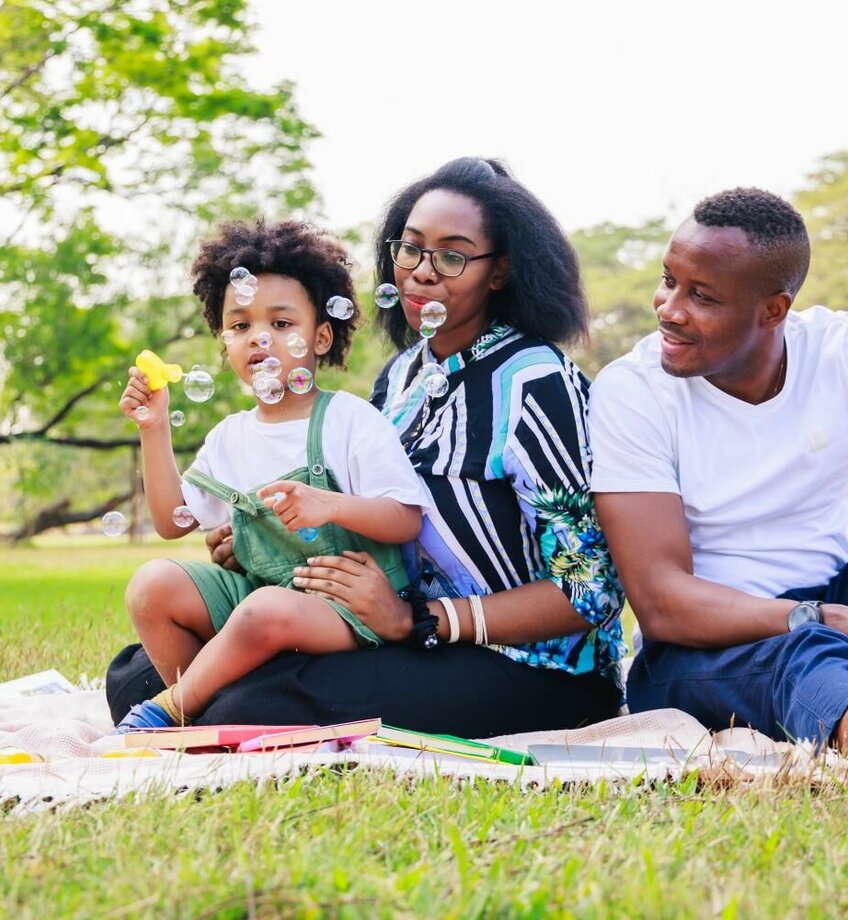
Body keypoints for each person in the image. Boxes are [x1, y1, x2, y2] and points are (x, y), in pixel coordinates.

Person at [107, 157, 626, 737]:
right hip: (394, 634)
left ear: (499, 271)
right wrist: (260, 538)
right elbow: (360, 509)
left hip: (534, 668)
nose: (421, 273)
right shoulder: (402, 377)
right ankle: (202, 703)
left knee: (244, 703)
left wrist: (419, 621)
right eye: (410, 249)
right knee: (132, 676)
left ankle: (204, 712)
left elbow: (591, 589)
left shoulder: (535, 381)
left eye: (452, 255)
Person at [113, 219, 426, 731]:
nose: (259, 336)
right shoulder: (229, 437)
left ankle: (170, 709)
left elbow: (405, 518)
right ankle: (212, 713)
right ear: (225, 343)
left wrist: (332, 504)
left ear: (321, 337)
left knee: (264, 610)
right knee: (153, 584)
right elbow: (174, 521)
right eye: (240, 326)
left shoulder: (348, 419)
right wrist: (153, 430)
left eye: (281, 324)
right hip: (262, 597)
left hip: (346, 605)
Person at [589, 186, 848, 749]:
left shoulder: (834, 353)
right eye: (668, 280)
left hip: (831, 599)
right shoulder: (634, 392)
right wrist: (813, 616)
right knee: (809, 657)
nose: (669, 308)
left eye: (702, 296)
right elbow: (661, 603)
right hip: (704, 649)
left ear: (773, 310)